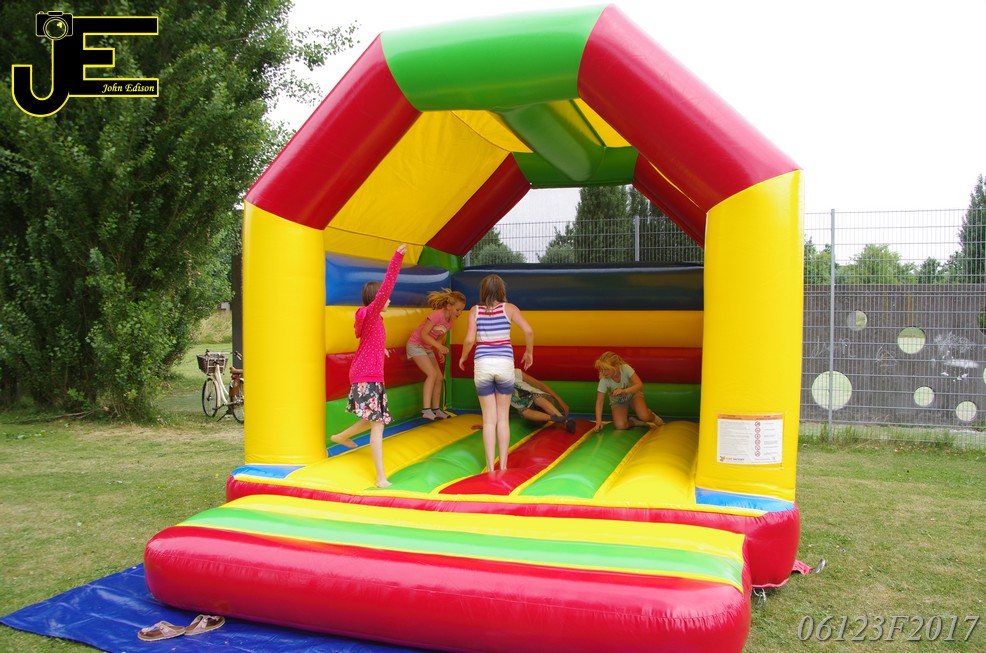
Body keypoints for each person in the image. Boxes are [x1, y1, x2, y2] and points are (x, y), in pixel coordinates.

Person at [329, 243, 407, 488]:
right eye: (384, 298)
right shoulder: (372, 314)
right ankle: (380, 477)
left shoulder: (375, 320)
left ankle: (341, 436)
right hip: (367, 376)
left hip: (369, 374)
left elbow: (368, 342)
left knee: (374, 419)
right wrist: (397, 257)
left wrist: (380, 349)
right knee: (378, 423)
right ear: (377, 299)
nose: (389, 299)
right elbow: (387, 286)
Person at [458, 274, 533, 472]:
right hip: (504, 364)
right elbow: (528, 331)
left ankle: (491, 468)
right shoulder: (510, 308)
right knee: (503, 418)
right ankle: (504, 466)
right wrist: (529, 352)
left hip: (483, 364)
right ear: (502, 290)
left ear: (483, 291)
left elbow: (469, 340)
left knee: (488, 420)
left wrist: (463, 357)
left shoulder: (474, 311)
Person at [407, 288, 466, 420]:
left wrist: (439, 350)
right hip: (415, 345)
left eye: (461, 310)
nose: (460, 313)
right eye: (458, 310)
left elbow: (439, 338)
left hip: (427, 348)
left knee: (439, 377)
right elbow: (423, 334)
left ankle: (436, 409)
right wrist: (439, 346)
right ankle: (426, 410)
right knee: (432, 374)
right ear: (449, 306)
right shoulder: (436, 315)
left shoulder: (450, 322)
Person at [593, 350, 665, 432]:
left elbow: (639, 385)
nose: (604, 372)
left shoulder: (625, 369)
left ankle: (653, 417)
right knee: (620, 426)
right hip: (618, 402)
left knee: (644, 416)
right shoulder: (604, 379)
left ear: (616, 366)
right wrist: (598, 422)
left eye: (606, 369)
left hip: (633, 395)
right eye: (602, 369)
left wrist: (624, 391)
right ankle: (633, 422)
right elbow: (599, 401)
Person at [511, 368, 576, 433]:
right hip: (537, 416)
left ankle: (565, 421)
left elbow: (539, 384)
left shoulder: (515, 372)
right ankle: (554, 418)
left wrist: (560, 400)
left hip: (543, 399)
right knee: (524, 412)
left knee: (537, 399)